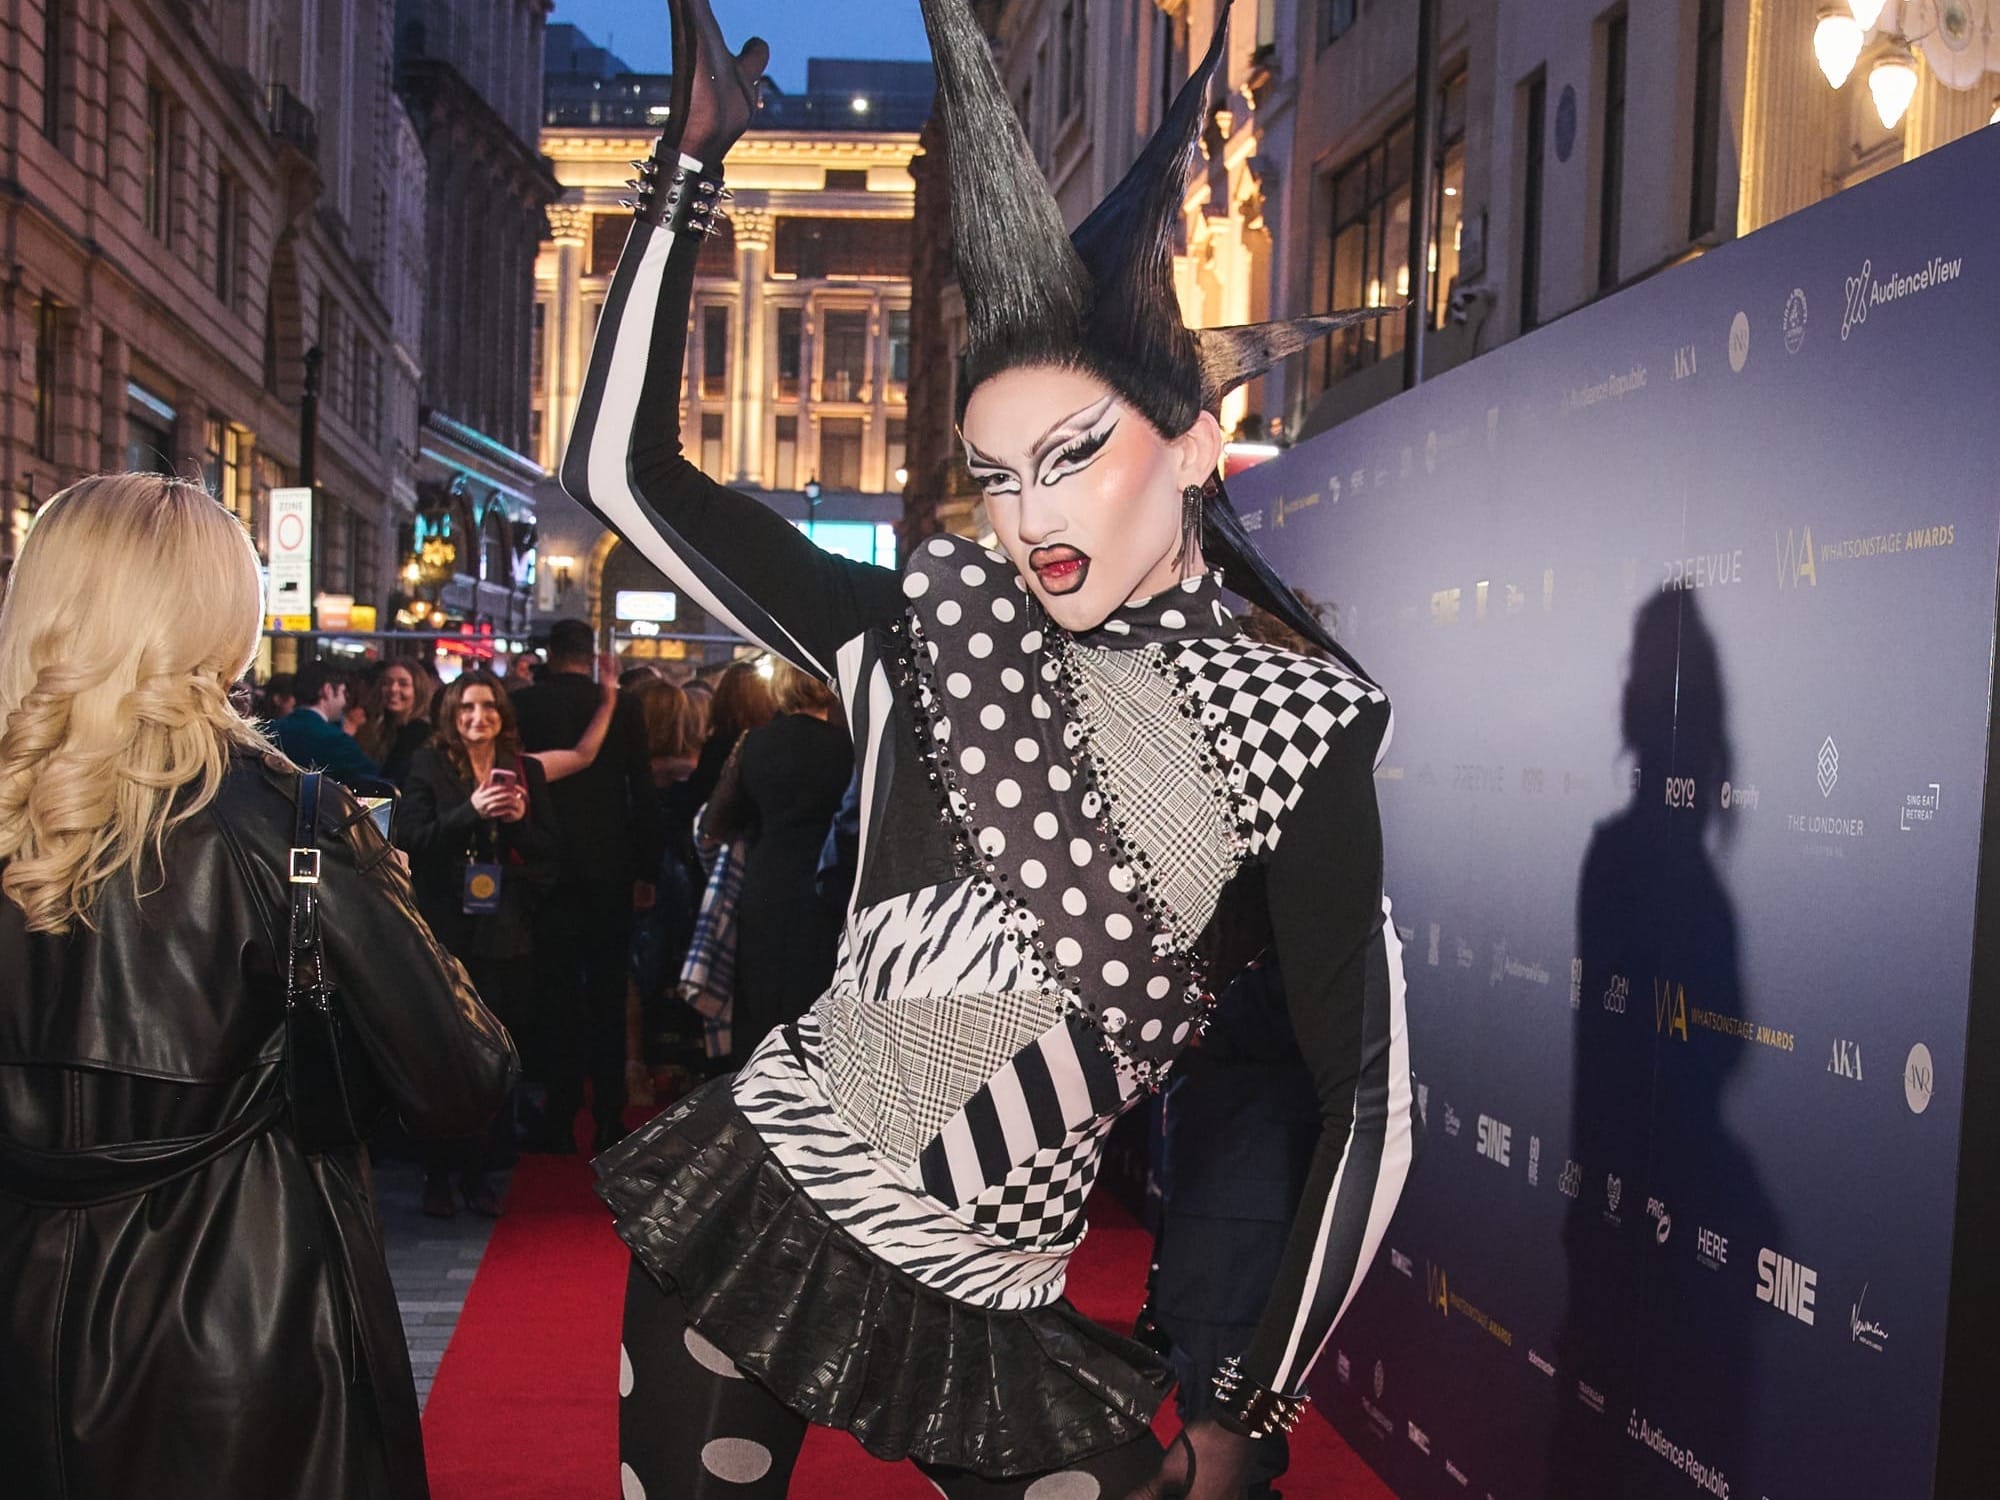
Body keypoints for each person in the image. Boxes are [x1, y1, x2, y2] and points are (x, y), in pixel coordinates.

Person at [568, 2, 1417, 1496]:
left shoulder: (1296, 725)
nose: (1030, 517)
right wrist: (688, 173)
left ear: (1194, 444)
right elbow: (620, 477)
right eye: (998, 474)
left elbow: (1372, 1106)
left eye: (1073, 456)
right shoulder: (918, 632)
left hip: (1000, 1298)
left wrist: (1252, 1401)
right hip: (756, 1218)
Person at [0, 474, 517, 1500]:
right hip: (245, 1327)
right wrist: (387, 899)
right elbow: (464, 1082)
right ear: (219, 617)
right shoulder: (289, 824)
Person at [397, 670, 582, 1218]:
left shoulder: (524, 770)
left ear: (503, 714)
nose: (478, 718)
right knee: (444, 1049)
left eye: (488, 707)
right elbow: (412, 840)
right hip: (447, 924)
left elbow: (552, 852)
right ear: (451, 715)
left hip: (506, 927)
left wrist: (519, 823)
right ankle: (437, 1173)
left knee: (498, 1049)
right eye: (467, 708)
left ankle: (481, 1172)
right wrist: (469, 812)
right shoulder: (428, 765)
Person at [511, 618, 663, 1155]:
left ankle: (559, 1111)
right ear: (589, 654)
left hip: (546, 864)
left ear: (551, 654)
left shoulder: (524, 705)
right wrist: (647, 868)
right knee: (607, 991)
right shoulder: (622, 706)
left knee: (554, 992)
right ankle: (608, 1115)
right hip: (610, 863)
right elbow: (642, 789)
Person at [698, 660, 852, 1062]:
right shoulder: (852, 746)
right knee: (817, 997)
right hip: (830, 883)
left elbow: (714, 823)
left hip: (765, 881)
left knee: (761, 996)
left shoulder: (754, 743)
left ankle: (756, 1082)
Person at [270, 661, 380, 785]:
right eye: (343, 692)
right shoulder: (338, 741)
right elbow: (377, 782)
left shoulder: (268, 732)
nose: (344, 701)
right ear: (327, 690)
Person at [356, 658, 437, 786]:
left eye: (403, 684)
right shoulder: (378, 729)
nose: (393, 689)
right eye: (387, 683)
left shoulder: (420, 733)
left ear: (418, 690)